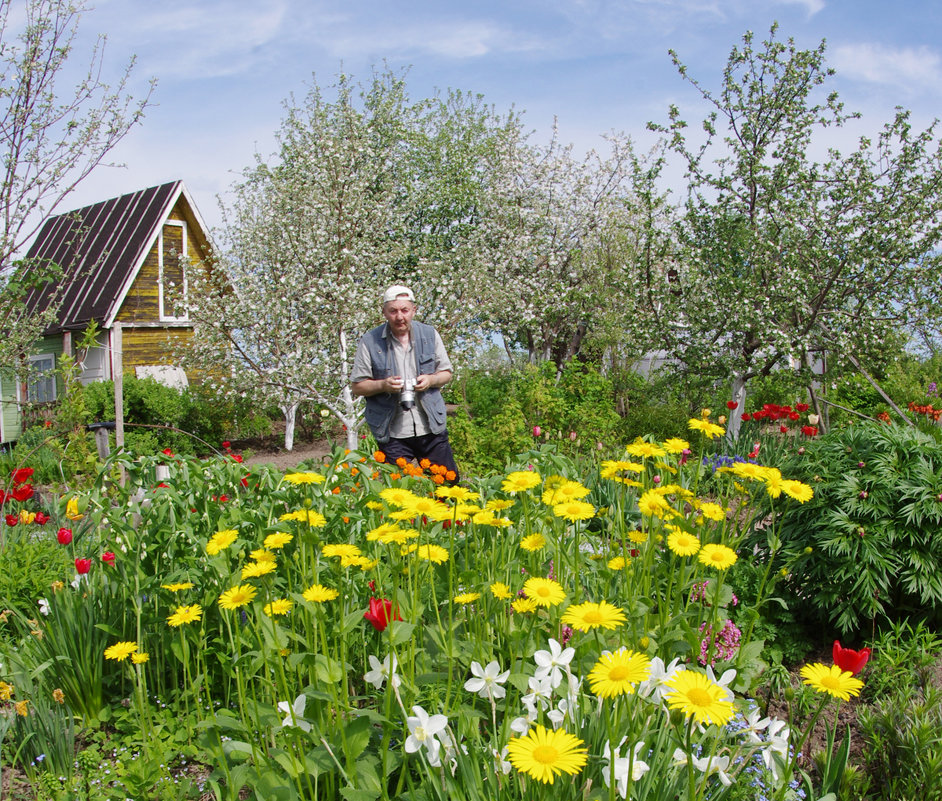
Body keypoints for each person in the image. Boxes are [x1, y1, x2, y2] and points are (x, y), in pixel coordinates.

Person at [351, 285, 459, 479]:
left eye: (404, 310)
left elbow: (446, 373)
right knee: (399, 495)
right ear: (384, 312)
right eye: (393, 311)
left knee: (448, 486)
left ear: (413, 310)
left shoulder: (429, 334)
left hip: (431, 426)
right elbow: (358, 386)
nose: (399, 316)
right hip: (392, 431)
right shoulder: (369, 341)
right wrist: (383, 385)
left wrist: (431, 380)